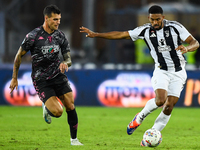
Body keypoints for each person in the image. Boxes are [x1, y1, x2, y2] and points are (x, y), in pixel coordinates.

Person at [80, 5, 199, 146]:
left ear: (163, 18)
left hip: (179, 72)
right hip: (162, 70)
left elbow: (195, 42)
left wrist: (187, 48)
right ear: (149, 18)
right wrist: (97, 35)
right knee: (161, 100)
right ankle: (140, 117)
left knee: (169, 106)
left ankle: (151, 135)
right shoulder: (145, 30)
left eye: (158, 19)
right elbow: (121, 34)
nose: (155, 23)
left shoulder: (175, 27)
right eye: (152, 20)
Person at [9, 4, 83, 146]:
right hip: (41, 79)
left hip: (58, 75)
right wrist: (14, 78)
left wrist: (65, 63)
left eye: (59, 19)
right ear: (46, 18)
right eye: (55, 19)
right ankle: (47, 106)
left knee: (70, 105)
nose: (58, 22)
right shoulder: (33, 36)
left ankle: (74, 140)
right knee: (58, 112)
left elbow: (68, 59)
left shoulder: (60, 36)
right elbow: (19, 55)